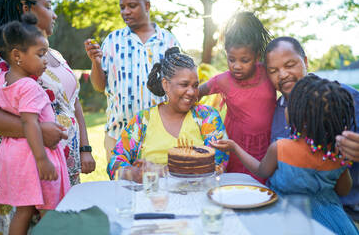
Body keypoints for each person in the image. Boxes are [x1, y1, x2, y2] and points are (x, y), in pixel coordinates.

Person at [0, 0, 95, 233]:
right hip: (28, 164)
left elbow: (73, 101)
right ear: (26, 9)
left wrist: (84, 147)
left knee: (58, 224)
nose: (54, 14)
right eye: (48, 6)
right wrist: (36, 131)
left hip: (58, 164)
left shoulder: (52, 54)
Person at [210, 75, 359, 235]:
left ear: (300, 117)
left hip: (287, 216)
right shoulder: (336, 154)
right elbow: (343, 190)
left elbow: (261, 171)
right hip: (333, 221)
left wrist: (235, 148)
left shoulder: (281, 148)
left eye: (290, 105)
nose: (286, 108)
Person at [0, 14, 71, 235]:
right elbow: (29, 122)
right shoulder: (29, 87)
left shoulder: (0, 80)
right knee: (50, 211)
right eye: (41, 54)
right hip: (35, 157)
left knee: (23, 212)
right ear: (17, 56)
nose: (45, 60)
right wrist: (43, 160)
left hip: (14, 156)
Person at [264, 36, 359, 221]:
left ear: (305, 61)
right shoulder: (275, 110)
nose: (282, 74)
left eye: (290, 64)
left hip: (344, 210)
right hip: (288, 213)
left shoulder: (345, 98)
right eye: (273, 70)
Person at [84, 0, 179, 163]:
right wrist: (96, 62)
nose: (125, 11)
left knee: (159, 188)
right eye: (122, 7)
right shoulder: (112, 41)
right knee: (121, 189)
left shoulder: (169, 41)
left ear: (147, 5)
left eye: (132, 6)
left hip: (160, 136)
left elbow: (178, 86)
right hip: (119, 137)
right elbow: (99, 86)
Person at [106, 47, 229, 182]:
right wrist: (133, 172)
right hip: (153, 199)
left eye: (195, 85)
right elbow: (115, 161)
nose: (192, 92)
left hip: (197, 195)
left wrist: (162, 171)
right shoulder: (143, 120)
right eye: (184, 85)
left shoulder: (207, 117)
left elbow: (217, 164)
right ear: (165, 84)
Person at [198, 12, 276, 183]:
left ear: (257, 56)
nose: (237, 66)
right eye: (231, 59)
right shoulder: (223, 80)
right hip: (235, 148)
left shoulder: (269, 73)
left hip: (267, 146)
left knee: (262, 190)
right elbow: (195, 92)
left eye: (245, 60)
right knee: (236, 187)